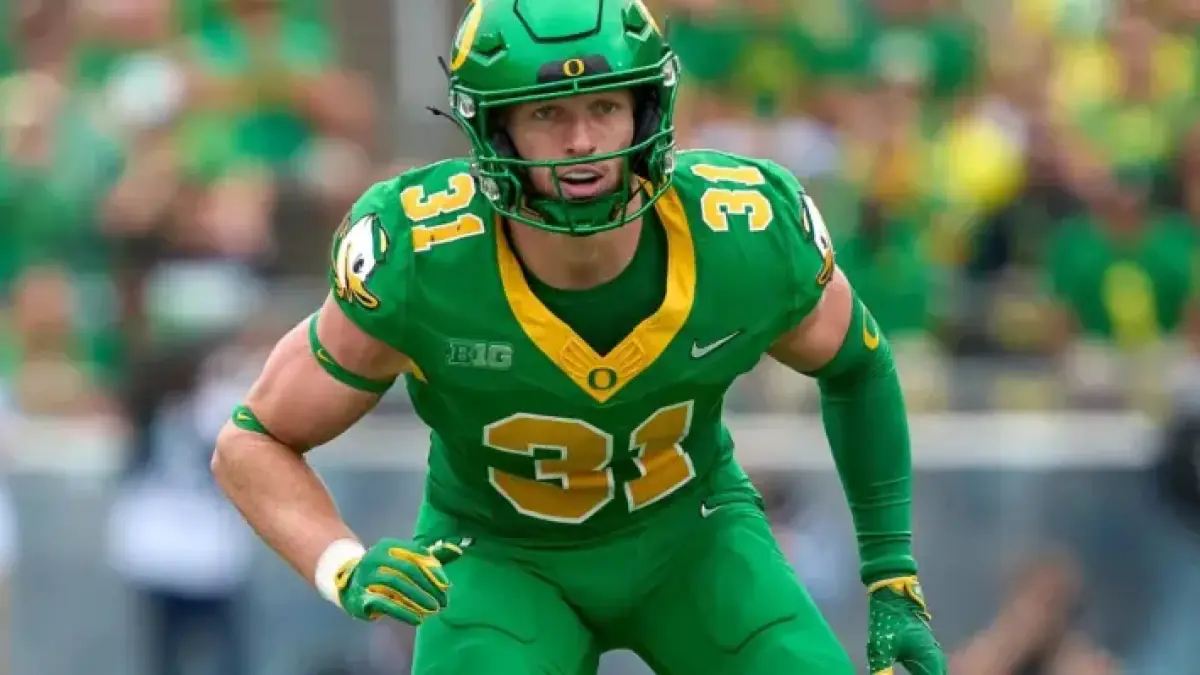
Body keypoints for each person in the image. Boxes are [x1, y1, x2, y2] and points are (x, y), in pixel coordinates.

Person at [211, 1, 946, 673]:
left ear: (646, 109)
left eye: (605, 105)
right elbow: (253, 440)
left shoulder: (742, 229)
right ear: (494, 126)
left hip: (694, 540)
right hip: (499, 558)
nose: (583, 142)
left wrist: (893, 576)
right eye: (547, 113)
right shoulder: (420, 256)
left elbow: (858, 364)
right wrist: (339, 562)